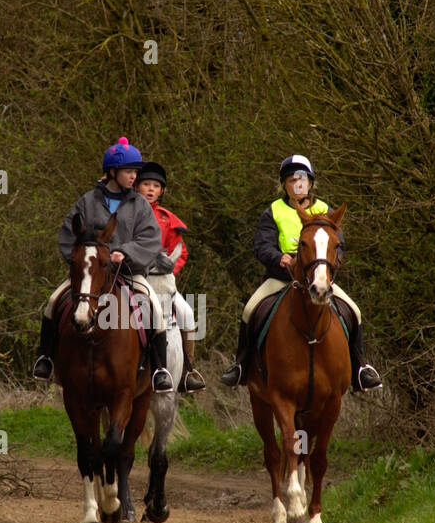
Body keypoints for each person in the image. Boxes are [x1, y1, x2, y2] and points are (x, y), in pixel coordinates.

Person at [219, 154, 382, 392]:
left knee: (354, 312)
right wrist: (279, 258)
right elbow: (262, 246)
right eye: (291, 179)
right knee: (249, 310)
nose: (297, 183)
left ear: (310, 183)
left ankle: (360, 368)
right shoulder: (273, 211)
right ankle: (241, 366)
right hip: (281, 278)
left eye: (302, 179)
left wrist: (329, 264)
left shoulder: (325, 209)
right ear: (284, 184)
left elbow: (340, 244)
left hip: (318, 278)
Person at [31, 137, 175, 394]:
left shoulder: (140, 204)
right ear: (112, 172)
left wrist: (125, 252)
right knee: (53, 302)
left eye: (135, 172)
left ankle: (159, 370)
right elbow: (68, 234)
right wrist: (81, 260)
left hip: (130, 274)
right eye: (129, 171)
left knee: (155, 307)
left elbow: (150, 240)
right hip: (90, 275)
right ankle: (45, 359)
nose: (134, 177)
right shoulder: (87, 202)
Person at [134, 161, 206, 393]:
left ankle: (188, 370)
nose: (151, 189)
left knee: (188, 313)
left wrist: (170, 267)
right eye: (146, 184)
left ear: (162, 190)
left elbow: (181, 252)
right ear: (136, 186)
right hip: (133, 276)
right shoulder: (126, 213)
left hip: (162, 282)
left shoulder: (168, 219)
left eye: (156, 185)